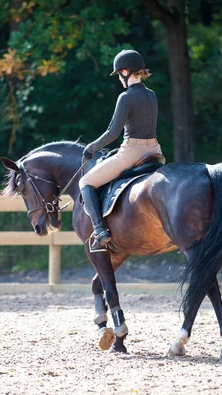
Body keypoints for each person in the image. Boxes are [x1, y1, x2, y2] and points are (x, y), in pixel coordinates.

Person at [79, 49, 163, 250]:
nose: (118, 78)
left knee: (86, 181)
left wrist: (91, 147)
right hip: (155, 152)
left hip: (132, 153)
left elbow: (112, 133)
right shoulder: (151, 95)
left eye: (118, 74)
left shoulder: (125, 97)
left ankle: (100, 231)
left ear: (125, 71)